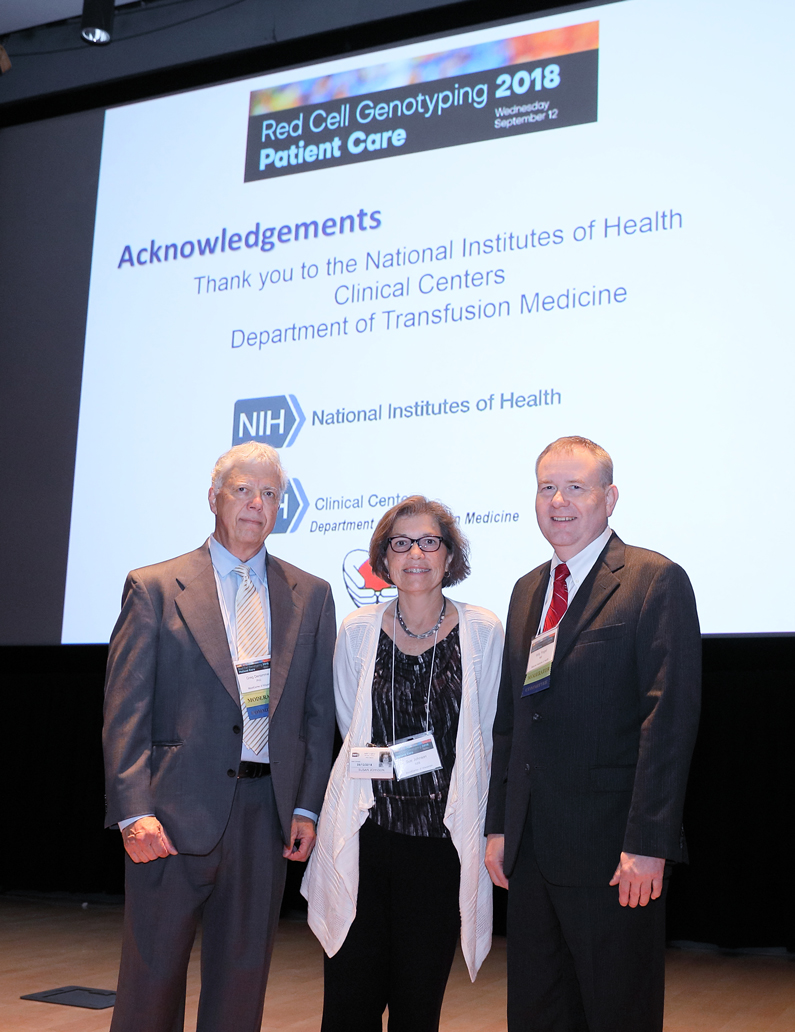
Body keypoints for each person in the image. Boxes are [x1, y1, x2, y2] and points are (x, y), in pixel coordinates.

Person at [103, 441, 336, 1032]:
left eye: (270, 494)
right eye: (243, 490)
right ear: (214, 498)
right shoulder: (154, 586)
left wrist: (306, 806)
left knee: (241, 988)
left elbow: (315, 716)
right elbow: (125, 711)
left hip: (266, 818)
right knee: (149, 986)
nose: (257, 504)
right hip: (170, 816)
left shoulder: (310, 595)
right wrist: (134, 813)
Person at [485, 436, 701, 1032]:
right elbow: (514, 719)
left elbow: (669, 722)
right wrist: (501, 823)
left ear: (609, 498)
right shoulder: (528, 589)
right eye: (546, 487)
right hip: (531, 853)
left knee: (616, 1013)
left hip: (615, 855)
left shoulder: (653, 580)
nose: (558, 501)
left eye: (575, 488)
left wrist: (649, 843)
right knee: (537, 1012)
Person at [302, 496, 504, 1032]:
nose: (416, 553)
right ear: (384, 559)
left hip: (439, 848)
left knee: (418, 1009)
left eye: (429, 541)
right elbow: (349, 727)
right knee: (348, 1006)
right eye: (401, 543)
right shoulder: (357, 630)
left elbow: (485, 734)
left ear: (449, 555)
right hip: (365, 839)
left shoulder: (482, 631)